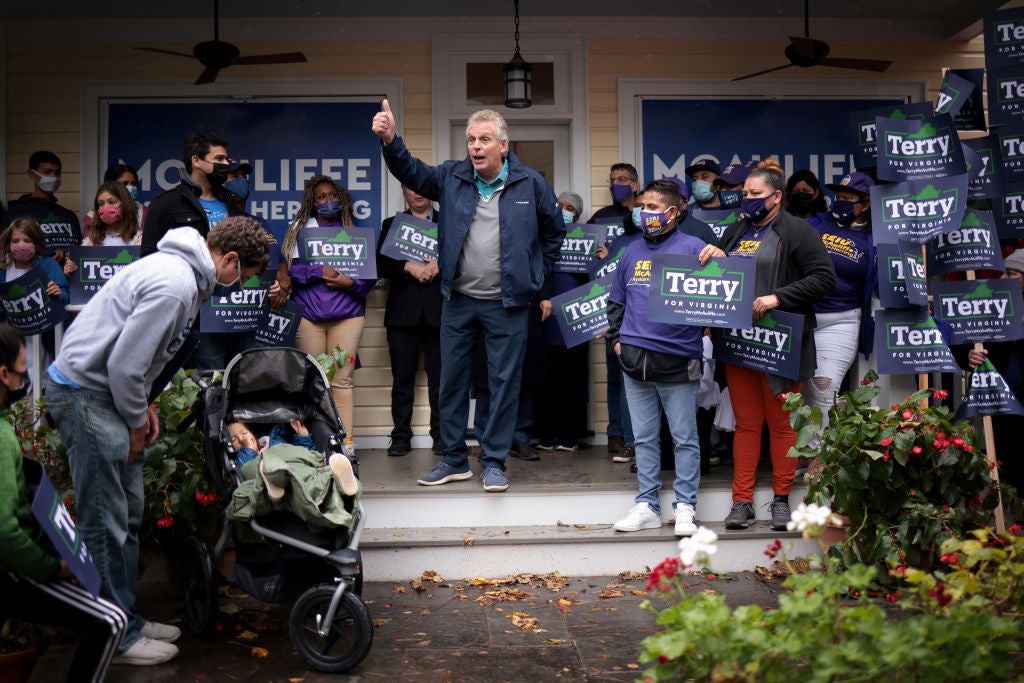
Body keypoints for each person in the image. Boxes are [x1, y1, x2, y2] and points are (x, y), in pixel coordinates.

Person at [46, 216, 269, 666]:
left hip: (108, 393)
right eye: (242, 274)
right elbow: (125, 366)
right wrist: (133, 418)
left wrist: (143, 407)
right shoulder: (175, 285)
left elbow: (139, 362)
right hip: (86, 394)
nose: (240, 284)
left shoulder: (183, 276)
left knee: (127, 514)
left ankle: (124, 617)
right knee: (104, 521)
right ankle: (114, 636)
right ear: (228, 259)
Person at [372, 101, 565, 492]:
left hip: (508, 303)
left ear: (504, 146)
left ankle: (493, 462)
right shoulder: (451, 176)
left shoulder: (531, 184)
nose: (476, 147)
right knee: (452, 381)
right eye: (471, 140)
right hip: (458, 300)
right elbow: (411, 171)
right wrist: (391, 140)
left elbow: (553, 233)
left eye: (484, 140)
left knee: (503, 382)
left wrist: (535, 277)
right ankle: (455, 458)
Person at [0, 325, 129, 680]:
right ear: (3, 374)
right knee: (112, 621)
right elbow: (5, 533)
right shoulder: (1, 437)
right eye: (23, 370)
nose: (26, 377)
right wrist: (51, 568)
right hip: (11, 571)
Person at [717, 158, 836, 531]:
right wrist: (714, 257)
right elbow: (722, 275)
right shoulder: (736, 229)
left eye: (755, 194)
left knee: (782, 425)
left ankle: (781, 500)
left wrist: (777, 297)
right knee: (747, 425)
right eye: (744, 193)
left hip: (781, 341)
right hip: (739, 340)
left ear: (776, 197)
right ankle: (742, 502)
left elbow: (824, 279)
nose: (747, 199)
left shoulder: (797, 231)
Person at [607, 179, 727, 537]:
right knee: (644, 438)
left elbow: (726, 294)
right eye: (644, 206)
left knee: (685, 438)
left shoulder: (696, 248)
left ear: (675, 212)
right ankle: (646, 505)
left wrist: (724, 259)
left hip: (679, 360)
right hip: (634, 361)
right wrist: (617, 343)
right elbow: (616, 303)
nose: (647, 213)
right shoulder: (629, 251)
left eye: (656, 208)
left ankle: (686, 508)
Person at [280, 175, 372, 449]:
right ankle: (316, 440)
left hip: (347, 316)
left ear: (341, 199)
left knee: (342, 379)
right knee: (314, 379)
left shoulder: (352, 231)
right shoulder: (300, 231)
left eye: (332, 195)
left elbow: (367, 279)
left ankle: (346, 442)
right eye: (321, 197)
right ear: (312, 202)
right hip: (309, 319)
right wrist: (317, 270)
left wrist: (349, 282)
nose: (328, 200)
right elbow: (288, 272)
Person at [803, 172, 876, 473]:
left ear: (867, 204)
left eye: (849, 199)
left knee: (823, 391)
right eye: (839, 197)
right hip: (800, 319)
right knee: (800, 394)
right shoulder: (815, 224)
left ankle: (820, 470)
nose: (841, 203)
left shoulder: (873, 239)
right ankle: (806, 454)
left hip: (839, 321)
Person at [377, 186, 442, 457]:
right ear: (403, 193)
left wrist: (442, 263)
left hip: (440, 314)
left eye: (421, 187)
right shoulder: (392, 224)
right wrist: (407, 266)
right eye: (410, 189)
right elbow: (380, 263)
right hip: (402, 315)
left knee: (441, 380)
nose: (417, 193)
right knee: (401, 380)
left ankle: (442, 436)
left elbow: (467, 257)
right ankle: (401, 436)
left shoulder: (447, 222)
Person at [957, 249, 1024, 495]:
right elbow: (969, 339)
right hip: (1001, 400)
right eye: (1004, 273)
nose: (1004, 279)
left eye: (1012, 273)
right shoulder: (990, 303)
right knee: (1005, 459)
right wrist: (968, 355)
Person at [224, 419, 359, 532]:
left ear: (253, 434)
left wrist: (302, 437)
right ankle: (277, 487)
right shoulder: (243, 458)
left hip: (296, 466)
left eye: (244, 433)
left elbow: (304, 454)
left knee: (313, 475)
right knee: (267, 468)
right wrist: (248, 449)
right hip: (273, 472)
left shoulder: (274, 440)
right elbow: (246, 469)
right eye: (234, 439)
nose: (242, 438)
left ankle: (339, 487)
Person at [533, 191, 590, 453]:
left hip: (578, 318)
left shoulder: (587, 239)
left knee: (573, 380)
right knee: (545, 379)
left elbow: (598, 280)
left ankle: (569, 436)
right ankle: (545, 434)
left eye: (570, 208)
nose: (564, 211)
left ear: (577, 215)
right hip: (546, 317)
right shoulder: (544, 236)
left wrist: (601, 258)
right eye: (560, 206)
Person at [141, 130, 244, 256]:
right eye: (219, 159)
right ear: (196, 161)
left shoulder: (231, 204)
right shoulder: (165, 204)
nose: (226, 164)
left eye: (226, 159)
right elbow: (149, 257)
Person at [0, 218, 71, 378]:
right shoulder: (3, 270)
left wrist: (57, 292)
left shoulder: (48, 265)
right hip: (13, 343)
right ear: (9, 244)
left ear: (36, 243)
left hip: (43, 343)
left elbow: (66, 297)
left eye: (27, 240)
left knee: (41, 385)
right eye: (16, 241)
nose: (21, 245)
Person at [1, 150, 81, 256]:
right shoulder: (14, 215)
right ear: (32, 174)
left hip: (65, 272)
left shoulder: (69, 216)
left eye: (57, 173)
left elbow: (79, 251)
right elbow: (5, 255)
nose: (53, 177)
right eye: (47, 172)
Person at [82, 164, 147, 235]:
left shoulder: (143, 212)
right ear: (110, 185)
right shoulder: (94, 216)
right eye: (124, 183)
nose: (130, 187)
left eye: (133, 183)